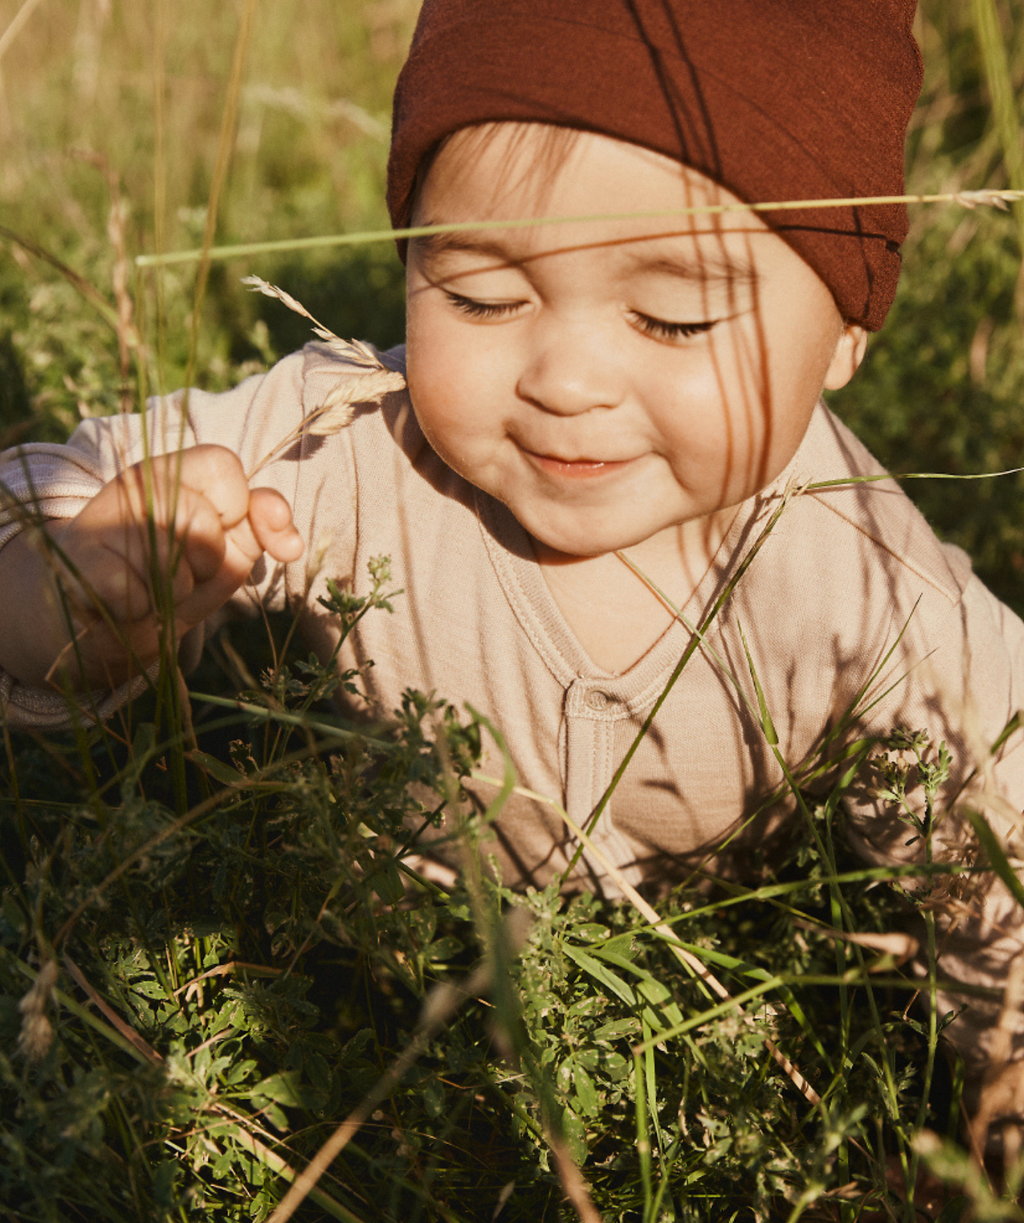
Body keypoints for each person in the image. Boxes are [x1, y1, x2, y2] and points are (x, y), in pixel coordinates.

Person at [2, 0, 1024, 1154]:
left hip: (678, 1003)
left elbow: (1003, 863)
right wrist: (80, 587)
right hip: (356, 951)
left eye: (673, 317)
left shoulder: (873, 595)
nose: (567, 378)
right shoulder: (348, 438)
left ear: (843, 330)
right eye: (481, 296)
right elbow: (49, 493)